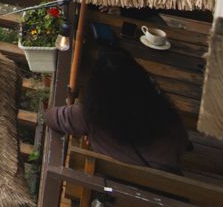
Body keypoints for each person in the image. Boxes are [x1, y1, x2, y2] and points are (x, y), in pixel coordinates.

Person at [45, 40, 188, 172]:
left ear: (96, 88)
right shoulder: (163, 115)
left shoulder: (88, 116)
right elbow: (181, 146)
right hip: (161, 188)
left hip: (109, 187)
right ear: (140, 80)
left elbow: (50, 117)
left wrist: (92, 134)